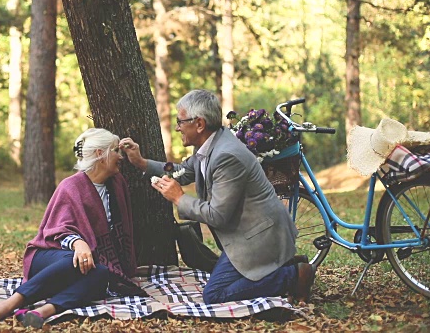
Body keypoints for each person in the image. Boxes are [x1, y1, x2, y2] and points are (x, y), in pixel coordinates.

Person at [120, 89, 316, 304]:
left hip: (260, 239)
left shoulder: (226, 156)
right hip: (252, 235)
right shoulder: (209, 145)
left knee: (215, 295)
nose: (177, 127)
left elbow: (217, 215)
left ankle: (294, 275)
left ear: (199, 124)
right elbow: (181, 171)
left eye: (180, 121)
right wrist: (141, 162)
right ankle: (285, 265)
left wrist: (179, 198)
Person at [0, 128, 145, 328]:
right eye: (115, 151)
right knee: (73, 259)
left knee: (102, 274)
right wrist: (78, 242)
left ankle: (42, 311)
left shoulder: (117, 185)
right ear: (100, 154)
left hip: (87, 261)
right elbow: (55, 231)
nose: (120, 157)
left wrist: (140, 159)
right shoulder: (71, 186)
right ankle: (11, 303)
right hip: (49, 256)